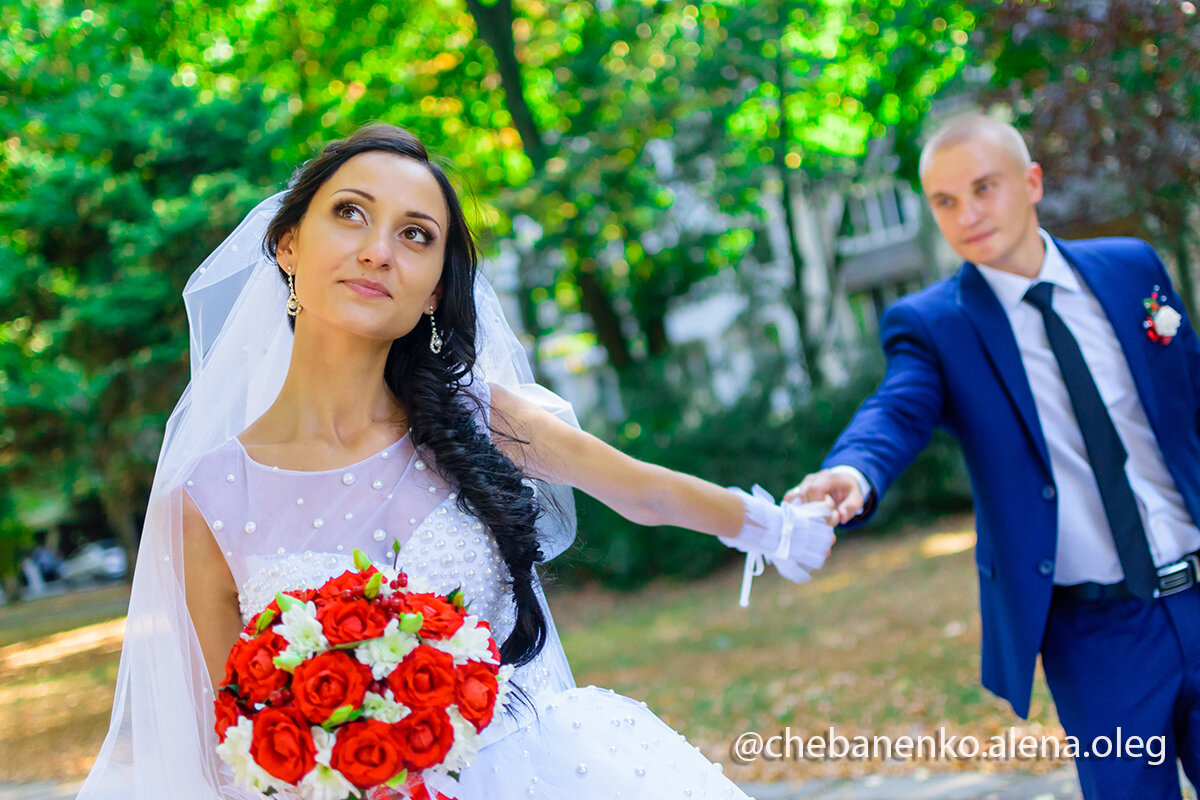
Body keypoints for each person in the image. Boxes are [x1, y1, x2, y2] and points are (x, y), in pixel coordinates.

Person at [77, 123, 836, 800]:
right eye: (351, 213)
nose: (379, 249)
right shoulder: (208, 496)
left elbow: (642, 490)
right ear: (287, 245)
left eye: (416, 235)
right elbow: (230, 743)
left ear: (436, 288)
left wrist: (778, 528)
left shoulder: (478, 419)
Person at [791, 113, 1200, 797]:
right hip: (1099, 639)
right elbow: (896, 408)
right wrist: (854, 469)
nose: (968, 215)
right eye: (945, 202)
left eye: (984, 188)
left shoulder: (1132, 269)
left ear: (1032, 181)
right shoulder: (935, 325)